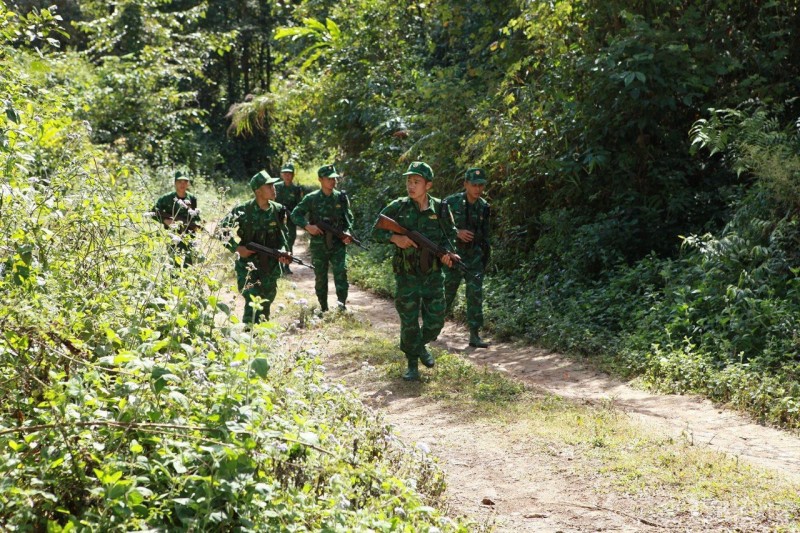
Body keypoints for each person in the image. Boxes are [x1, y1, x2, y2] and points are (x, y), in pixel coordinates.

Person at [372, 161, 459, 381]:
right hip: (406, 276)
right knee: (409, 321)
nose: (411, 186)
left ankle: (419, 347)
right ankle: (412, 365)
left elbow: (449, 237)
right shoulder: (398, 206)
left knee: (436, 320)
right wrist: (395, 238)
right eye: (409, 181)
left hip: (432, 275)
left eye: (416, 182)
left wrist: (449, 255)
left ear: (428, 185)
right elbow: (375, 231)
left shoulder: (440, 208)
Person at [219, 170, 291, 325]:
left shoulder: (278, 210)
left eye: (273, 185)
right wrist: (237, 249)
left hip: (270, 265)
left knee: (266, 301)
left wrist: (284, 252)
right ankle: (248, 335)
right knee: (252, 300)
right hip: (248, 266)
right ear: (258, 191)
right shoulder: (243, 210)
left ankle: (260, 337)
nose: (274, 188)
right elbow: (221, 231)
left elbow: (283, 237)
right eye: (269, 185)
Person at [290, 164, 354, 312]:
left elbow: (348, 218)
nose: (333, 181)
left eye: (334, 178)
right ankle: (323, 308)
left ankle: (341, 306)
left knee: (341, 274)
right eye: (329, 178)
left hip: (338, 243)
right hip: (319, 244)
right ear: (320, 179)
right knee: (321, 277)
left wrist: (347, 232)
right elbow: (295, 214)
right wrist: (307, 226)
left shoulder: (341, 198)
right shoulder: (311, 198)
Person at [443, 167, 491, 348]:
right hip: (454, 256)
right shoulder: (451, 202)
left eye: (481, 185)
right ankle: (433, 327)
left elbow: (485, 235)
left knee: (475, 295)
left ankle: (474, 335)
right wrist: (457, 232)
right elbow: (440, 226)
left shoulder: (484, 207)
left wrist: (485, 257)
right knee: (447, 293)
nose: (478, 189)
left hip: (474, 257)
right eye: (474, 185)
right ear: (465, 184)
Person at [152, 170, 202, 267]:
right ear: (175, 183)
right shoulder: (166, 198)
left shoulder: (192, 198)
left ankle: (188, 282)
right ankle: (174, 282)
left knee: (189, 262)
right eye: (179, 182)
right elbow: (154, 212)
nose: (182, 184)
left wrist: (196, 225)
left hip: (188, 234)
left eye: (185, 182)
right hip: (173, 233)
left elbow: (195, 216)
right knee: (174, 263)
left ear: (188, 184)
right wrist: (165, 221)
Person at [274, 162, 305, 274]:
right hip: (277, 219)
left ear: (293, 175)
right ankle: (277, 266)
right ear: (282, 174)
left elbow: (299, 205)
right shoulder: (276, 186)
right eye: (285, 173)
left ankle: (286, 266)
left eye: (289, 173)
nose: (287, 175)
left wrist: (295, 216)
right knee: (276, 241)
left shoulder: (296, 189)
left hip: (290, 220)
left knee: (289, 242)